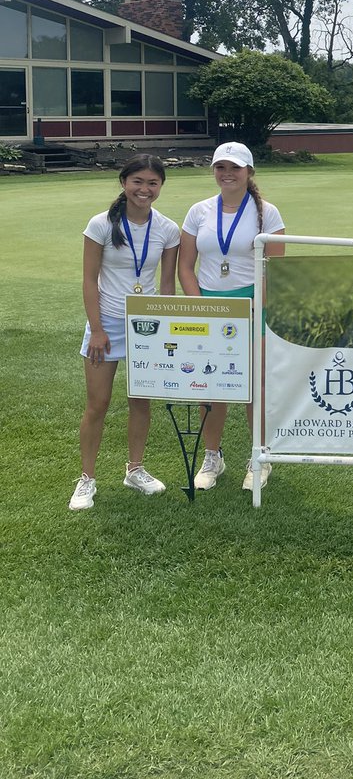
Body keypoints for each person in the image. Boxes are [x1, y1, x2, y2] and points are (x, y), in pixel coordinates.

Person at [69, 155, 181, 511]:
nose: (144, 190)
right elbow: (89, 280)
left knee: (140, 401)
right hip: (108, 323)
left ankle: (135, 469)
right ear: (123, 183)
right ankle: (86, 479)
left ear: (160, 187)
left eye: (152, 183)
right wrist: (98, 329)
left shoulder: (167, 229)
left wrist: (166, 331)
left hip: (147, 325)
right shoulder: (101, 224)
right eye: (138, 182)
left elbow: (167, 284)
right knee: (97, 404)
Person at [179, 142, 285, 491]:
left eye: (235, 168)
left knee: (256, 388)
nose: (227, 174)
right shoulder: (199, 211)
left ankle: (260, 456)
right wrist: (199, 307)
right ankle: (213, 456)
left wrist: (257, 307)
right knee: (210, 387)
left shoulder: (266, 212)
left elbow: (276, 269)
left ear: (249, 172)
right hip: (209, 304)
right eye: (221, 167)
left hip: (253, 306)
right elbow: (185, 266)